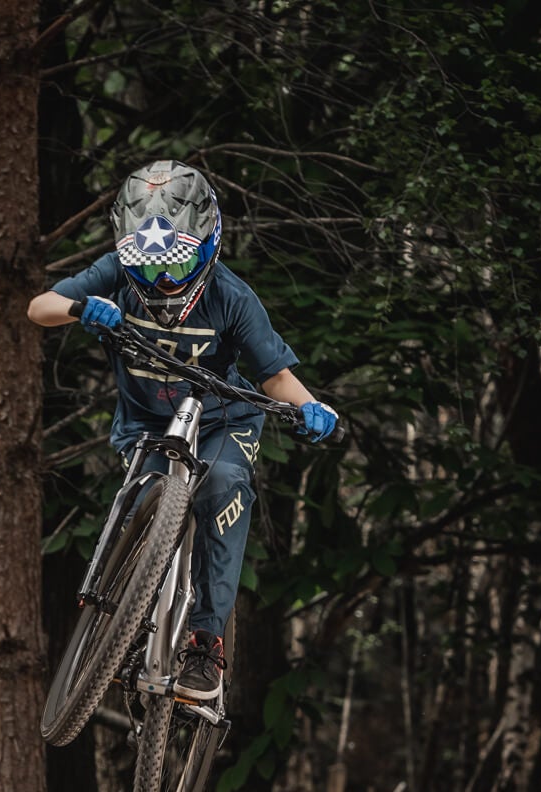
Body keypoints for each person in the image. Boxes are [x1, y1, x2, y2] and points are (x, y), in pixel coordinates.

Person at [24, 159, 338, 707]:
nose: (159, 280)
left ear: (208, 243)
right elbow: (39, 306)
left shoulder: (232, 298)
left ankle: (204, 643)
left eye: (174, 264)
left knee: (222, 489)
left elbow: (276, 376)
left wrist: (312, 407)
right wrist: (81, 308)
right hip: (147, 423)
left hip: (223, 422)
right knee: (139, 498)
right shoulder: (116, 274)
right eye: (144, 268)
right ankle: (119, 613)